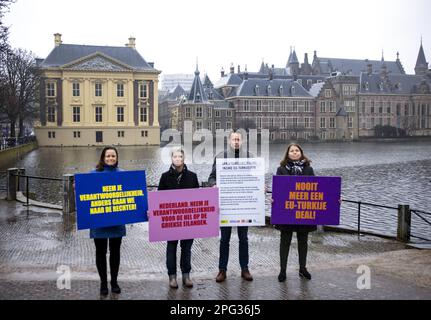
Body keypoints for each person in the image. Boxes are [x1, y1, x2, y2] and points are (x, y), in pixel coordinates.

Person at [208, 130, 254, 283]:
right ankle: (222, 270)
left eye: (238, 139)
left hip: (243, 205)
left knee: (243, 239)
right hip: (226, 205)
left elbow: (256, 177)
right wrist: (213, 184)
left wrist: (259, 186)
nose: (236, 142)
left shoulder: (249, 157)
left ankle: (245, 268)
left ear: (242, 142)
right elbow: (212, 176)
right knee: (224, 239)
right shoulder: (220, 157)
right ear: (229, 141)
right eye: (233, 139)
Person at [157, 148, 200, 289]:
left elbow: (199, 199)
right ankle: (172, 276)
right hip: (171, 221)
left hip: (188, 220)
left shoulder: (192, 177)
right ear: (171, 159)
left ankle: (186, 275)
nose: (177, 159)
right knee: (171, 248)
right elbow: (159, 199)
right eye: (174, 156)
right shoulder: (164, 177)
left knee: (186, 248)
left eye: (179, 156)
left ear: (183, 158)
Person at [274, 143, 316, 282]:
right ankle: (282, 270)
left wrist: (335, 199)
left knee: (303, 242)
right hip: (287, 211)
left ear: (301, 153)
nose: (294, 152)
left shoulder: (309, 169)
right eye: (291, 151)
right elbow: (278, 190)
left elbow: (318, 189)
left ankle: (303, 269)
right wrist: (274, 199)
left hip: (303, 211)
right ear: (287, 154)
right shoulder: (281, 169)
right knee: (284, 242)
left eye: (297, 150)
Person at [90, 146, 125, 296]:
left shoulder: (123, 174)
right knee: (101, 252)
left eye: (113, 156)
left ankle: (114, 281)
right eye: (108, 156)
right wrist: (77, 187)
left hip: (117, 221)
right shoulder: (93, 174)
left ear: (117, 158)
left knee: (115, 252)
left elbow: (133, 193)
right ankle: (103, 283)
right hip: (99, 221)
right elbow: (85, 194)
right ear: (103, 158)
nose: (111, 158)